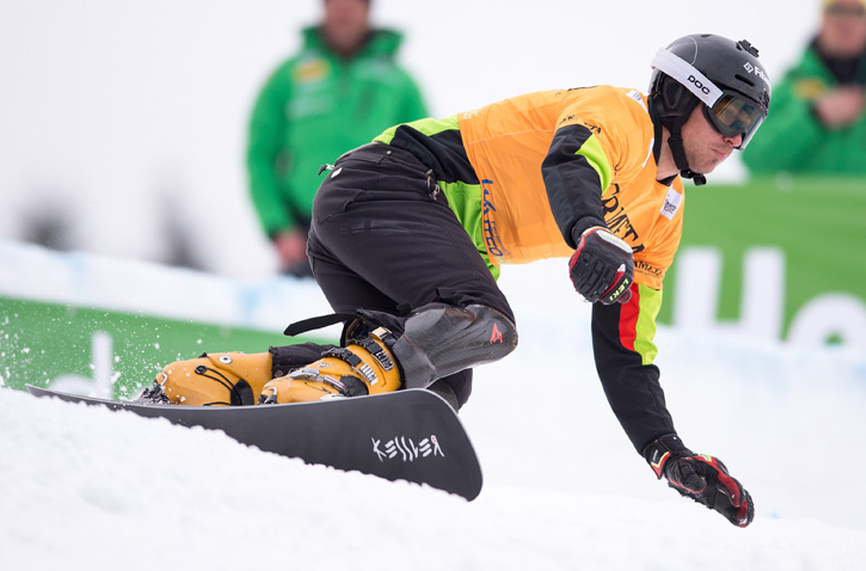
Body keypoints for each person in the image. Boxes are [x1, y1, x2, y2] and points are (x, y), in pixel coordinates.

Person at [147, 34, 769, 527]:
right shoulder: (621, 114)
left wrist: (666, 450)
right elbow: (572, 159)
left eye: (752, 124)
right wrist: (587, 231)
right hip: (386, 183)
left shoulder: (663, 218)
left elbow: (626, 349)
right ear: (680, 97)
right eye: (731, 113)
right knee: (485, 320)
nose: (737, 138)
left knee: (435, 392)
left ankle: (216, 380)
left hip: (378, 222)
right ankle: (314, 392)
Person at [247, 0, 428, 276]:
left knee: (378, 316)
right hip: (304, 236)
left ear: (367, 9)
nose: (343, 10)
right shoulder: (287, 77)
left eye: (353, 3)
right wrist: (278, 227)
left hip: (378, 234)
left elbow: (425, 158)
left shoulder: (400, 83)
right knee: (300, 316)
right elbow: (259, 155)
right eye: (335, 3)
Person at [743, 0, 866, 173]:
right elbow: (753, 156)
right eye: (837, 10)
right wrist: (815, 117)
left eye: (857, 12)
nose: (846, 21)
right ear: (822, 18)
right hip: (806, 201)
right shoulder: (791, 86)